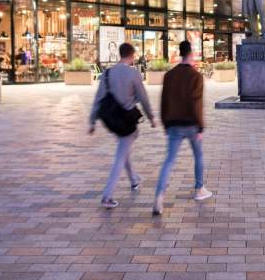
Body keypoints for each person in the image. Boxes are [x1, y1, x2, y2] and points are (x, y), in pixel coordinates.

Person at [89, 43, 156, 209]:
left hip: (112, 120)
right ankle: (107, 196)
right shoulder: (133, 73)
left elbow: (98, 98)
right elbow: (143, 97)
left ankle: (133, 179)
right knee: (121, 154)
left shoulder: (107, 73)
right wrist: (151, 117)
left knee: (123, 148)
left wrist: (92, 121)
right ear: (132, 56)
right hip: (126, 121)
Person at [153, 40, 212, 215]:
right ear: (191, 54)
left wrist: (165, 123)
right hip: (192, 124)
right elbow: (197, 103)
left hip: (173, 124)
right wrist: (200, 127)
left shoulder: (169, 75)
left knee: (169, 160)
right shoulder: (196, 76)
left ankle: (159, 195)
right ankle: (199, 189)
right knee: (198, 155)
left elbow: (163, 101)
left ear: (179, 53)